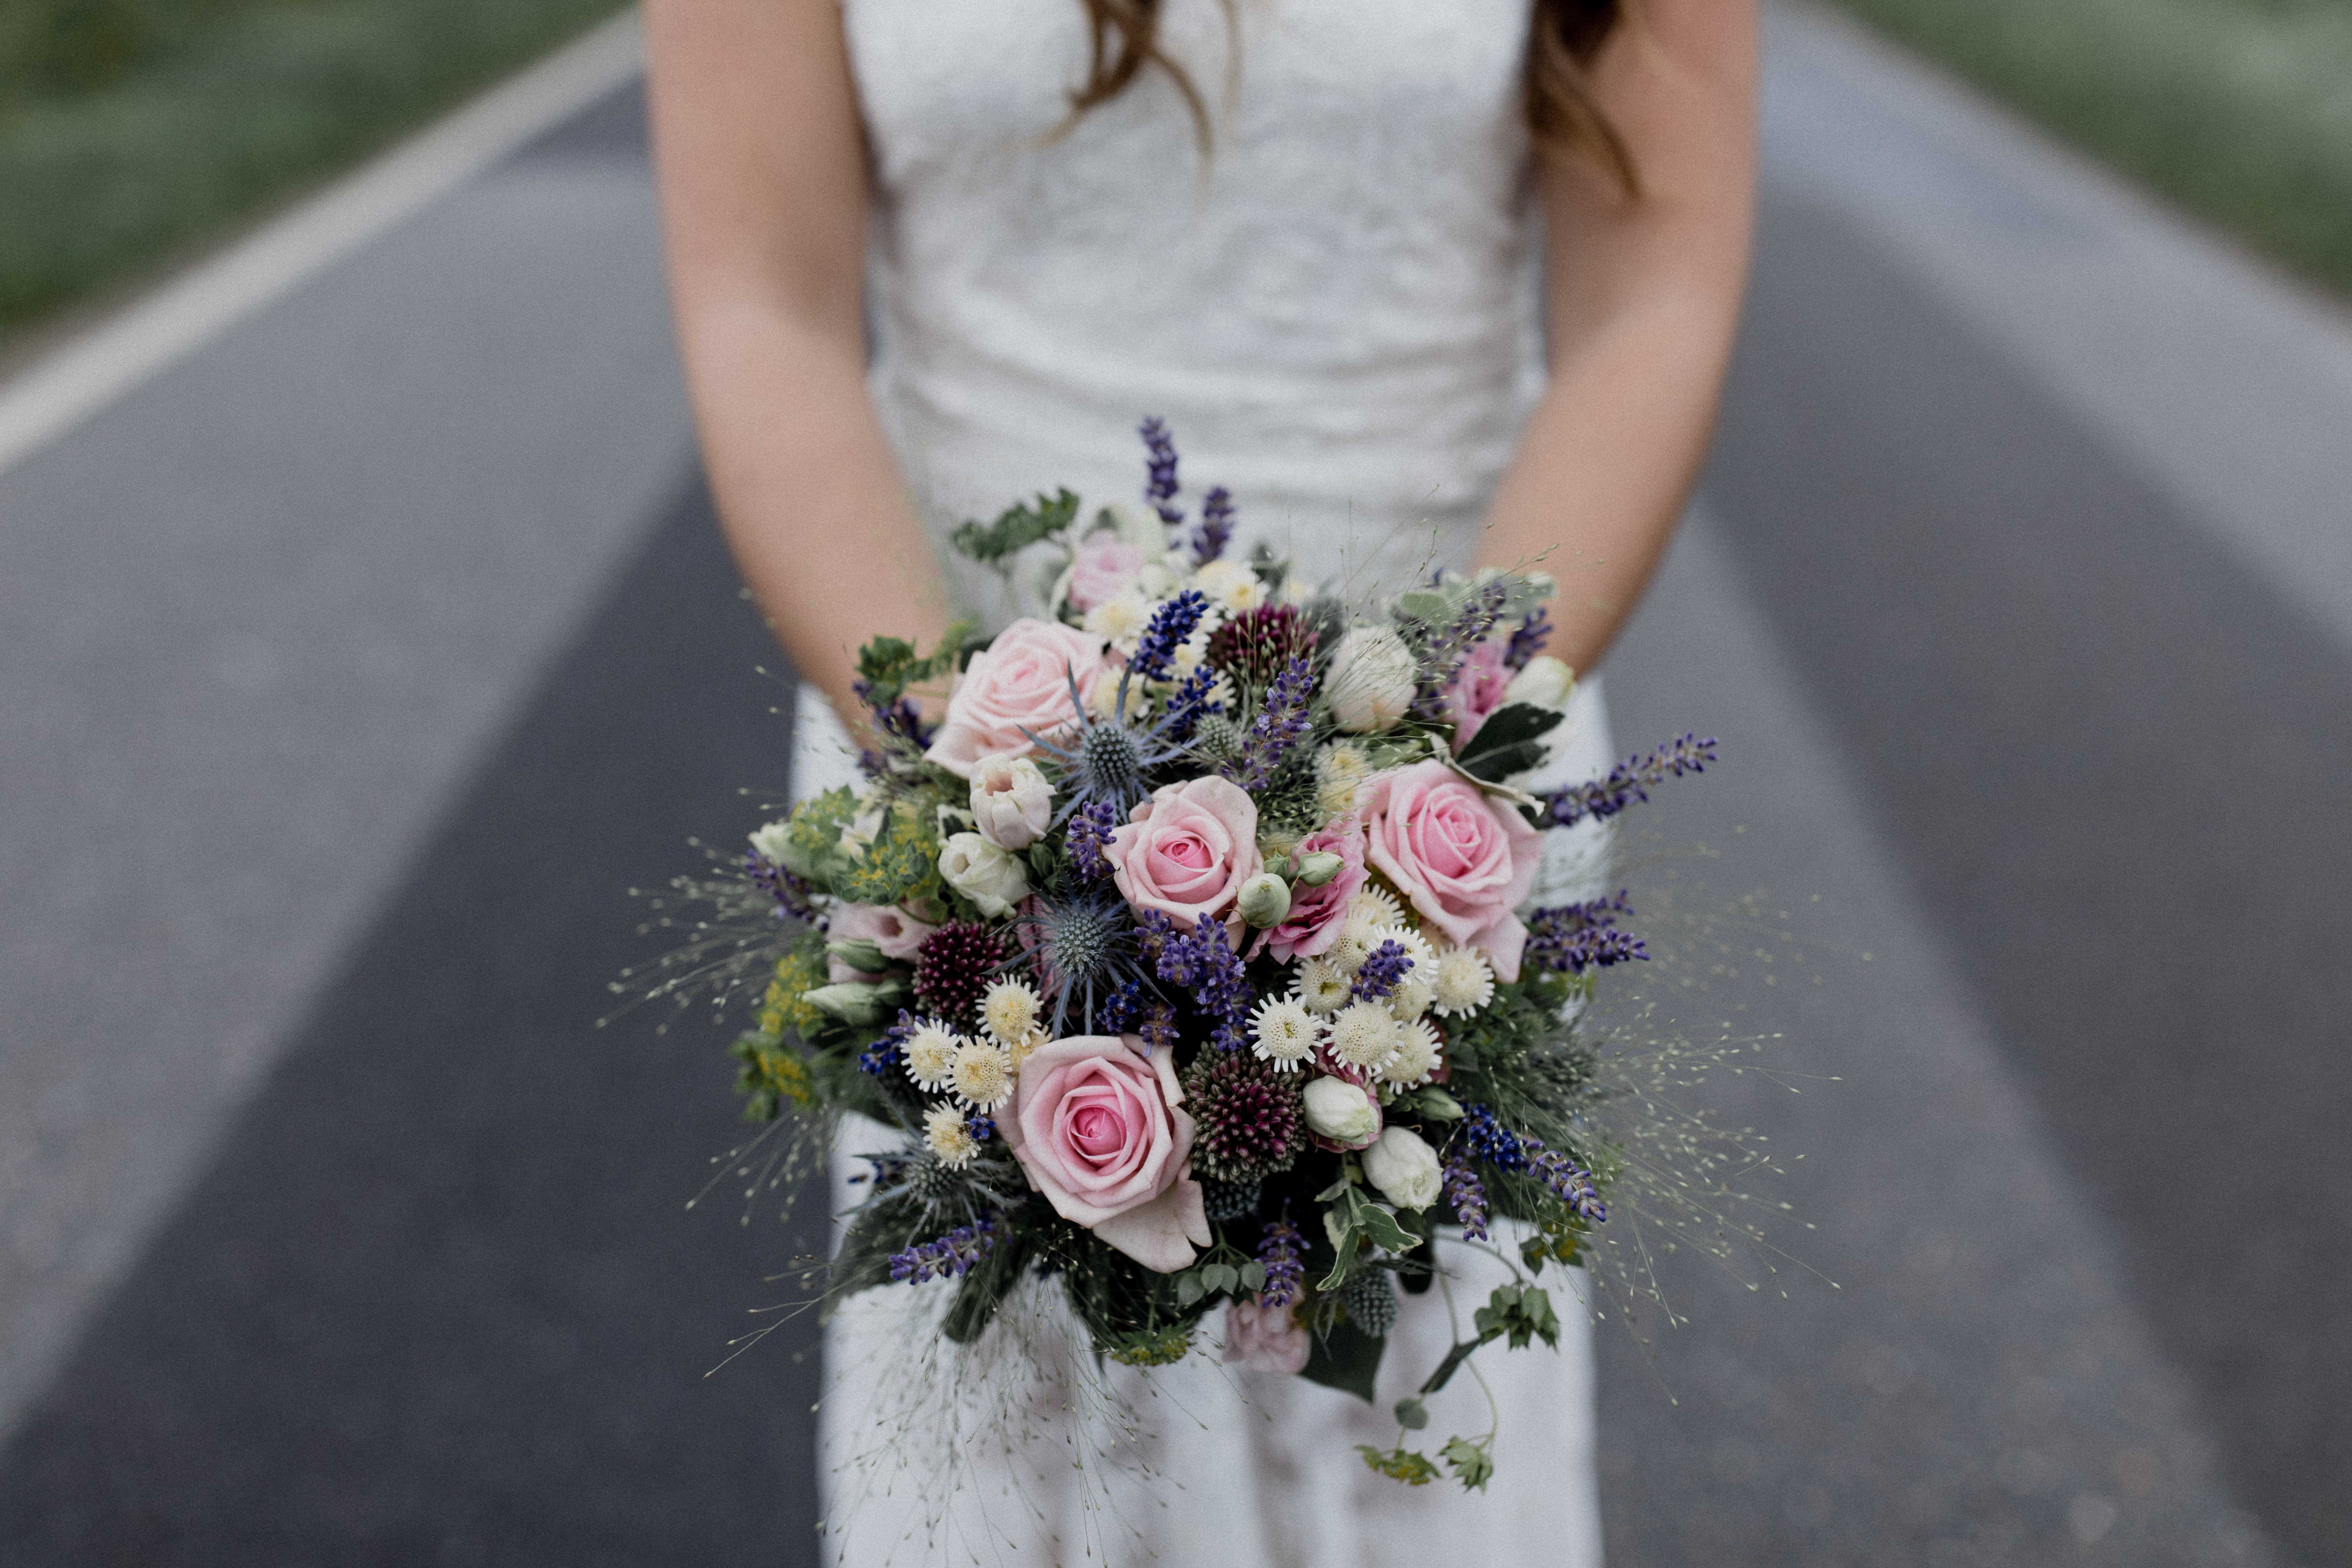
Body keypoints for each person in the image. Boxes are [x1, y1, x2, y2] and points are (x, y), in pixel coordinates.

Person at [645, 0, 1755, 1560]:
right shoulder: (979, 811)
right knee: (1024, 1442)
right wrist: (993, 815)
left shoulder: (1434, 803)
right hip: (968, 781)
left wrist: (1413, 786)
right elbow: (767, 302)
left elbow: (1655, 300)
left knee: (1409, 1422)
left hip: (1444, 816)